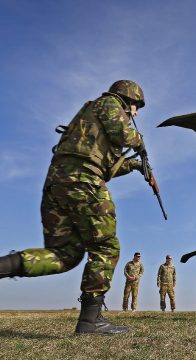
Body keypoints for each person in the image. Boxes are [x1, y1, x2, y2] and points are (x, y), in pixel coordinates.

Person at [0, 80, 146, 334]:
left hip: (59, 182)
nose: (135, 114)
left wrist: (133, 166)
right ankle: (90, 322)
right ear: (129, 100)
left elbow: (105, 167)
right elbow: (125, 136)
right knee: (106, 246)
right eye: (135, 108)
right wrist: (140, 142)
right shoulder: (109, 104)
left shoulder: (91, 118)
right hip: (82, 181)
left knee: (65, 254)